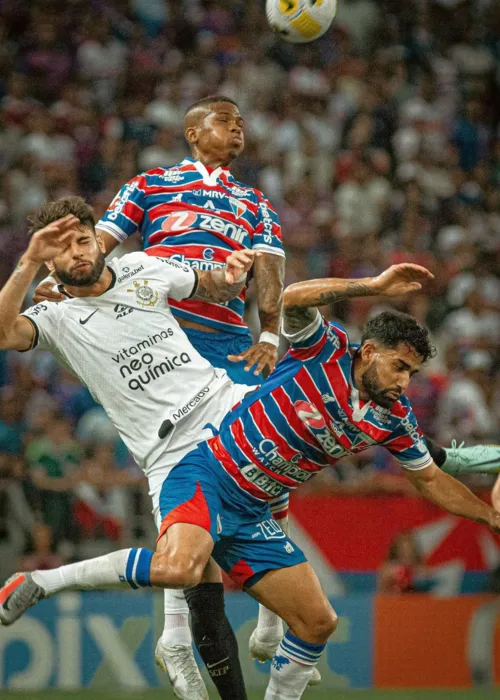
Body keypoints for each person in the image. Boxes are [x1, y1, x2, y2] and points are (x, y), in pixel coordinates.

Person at [5, 264, 500, 700]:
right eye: (398, 366)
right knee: (179, 569)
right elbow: (291, 298)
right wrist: (370, 284)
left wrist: (491, 515)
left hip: (254, 511)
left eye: (412, 373)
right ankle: (41, 583)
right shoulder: (323, 350)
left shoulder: (394, 417)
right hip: (207, 471)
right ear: (368, 351)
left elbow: (433, 480)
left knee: (318, 621)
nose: (403, 382)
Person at [33, 95, 290, 691]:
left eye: (243, 122)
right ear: (194, 131)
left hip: (229, 340)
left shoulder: (254, 203)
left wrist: (272, 334)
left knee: (271, 460)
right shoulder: (149, 185)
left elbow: (270, 275)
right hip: (161, 332)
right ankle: (176, 635)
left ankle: (270, 613)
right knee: (182, 477)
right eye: (228, 120)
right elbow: (97, 245)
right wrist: (51, 283)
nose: (239, 129)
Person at [0, 197, 258, 700]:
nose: (75, 253)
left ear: (98, 239)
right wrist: (27, 260)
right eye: (59, 249)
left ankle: (204, 633)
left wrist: (229, 274)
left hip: (225, 410)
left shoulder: (142, 266)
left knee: (308, 408)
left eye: (82, 240)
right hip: (168, 457)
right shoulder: (54, 316)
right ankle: (180, 639)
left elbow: (206, 284)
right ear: (49, 263)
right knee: (195, 578)